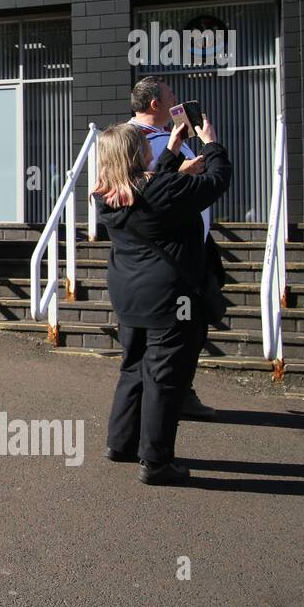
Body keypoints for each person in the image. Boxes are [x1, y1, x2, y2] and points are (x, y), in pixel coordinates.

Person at [93, 115, 231, 485]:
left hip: (128, 293)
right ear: (136, 155)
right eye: (144, 147)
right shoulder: (164, 191)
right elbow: (217, 181)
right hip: (172, 299)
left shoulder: (105, 194)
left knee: (134, 366)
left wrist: (172, 151)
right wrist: (211, 144)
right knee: (165, 379)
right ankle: (156, 462)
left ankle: (120, 443)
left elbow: (151, 185)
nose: (148, 151)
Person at [126, 76, 218, 422]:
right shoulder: (130, 138)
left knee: (194, 325)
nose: (177, 100)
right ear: (155, 104)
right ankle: (163, 402)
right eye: (171, 95)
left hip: (195, 247)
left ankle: (181, 391)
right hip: (163, 255)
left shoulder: (175, 135)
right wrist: (182, 169)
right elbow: (132, 188)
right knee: (170, 330)